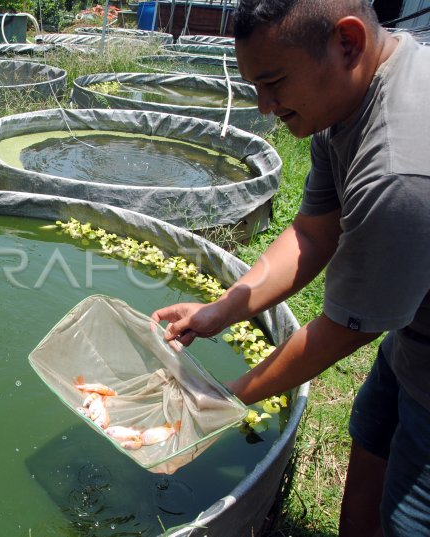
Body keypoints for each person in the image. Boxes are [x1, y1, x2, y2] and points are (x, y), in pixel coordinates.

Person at [151, 1, 430, 535]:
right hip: (415, 336)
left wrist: (221, 399)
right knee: (373, 432)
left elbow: (343, 331)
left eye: (274, 82)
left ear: (347, 42)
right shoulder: (344, 97)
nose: (262, 105)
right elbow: (312, 232)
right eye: (254, 85)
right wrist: (223, 310)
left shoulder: (400, 171)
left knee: (410, 516)